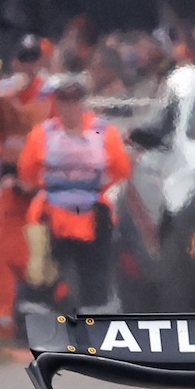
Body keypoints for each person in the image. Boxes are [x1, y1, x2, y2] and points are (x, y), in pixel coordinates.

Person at [17, 75, 131, 313]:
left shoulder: (104, 132)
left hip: (93, 217)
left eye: (74, 99)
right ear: (55, 103)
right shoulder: (42, 134)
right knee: (40, 277)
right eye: (63, 100)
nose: (69, 106)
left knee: (95, 282)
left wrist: (93, 188)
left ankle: (93, 321)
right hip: (51, 217)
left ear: (82, 102)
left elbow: (121, 170)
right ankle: (38, 319)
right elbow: (27, 173)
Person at [0, 36, 49, 338]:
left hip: (43, 187)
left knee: (40, 256)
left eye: (32, 58)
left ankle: (42, 320)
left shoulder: (51, 93)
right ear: (14, 61)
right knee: (4, 252)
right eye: (23, 58)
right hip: (11, 181)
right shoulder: (2, 93)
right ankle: (3, 323)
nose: (28, 65)